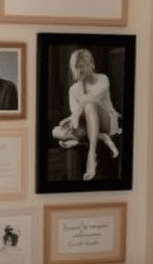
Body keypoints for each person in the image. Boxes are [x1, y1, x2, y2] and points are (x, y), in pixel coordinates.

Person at [51, 48, 121, 182]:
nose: (78, 70)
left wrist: (75, 115)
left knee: (90, 105)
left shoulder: (102, 79)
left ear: (91, 65)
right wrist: (71, 119)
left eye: (82, 66)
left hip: (107, 123)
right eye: (75, 67)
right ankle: (101, 137)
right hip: (88, 125)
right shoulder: (73, 90)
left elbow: (89, 100)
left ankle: (91, 155)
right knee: (56, 131)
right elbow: (76, 113)